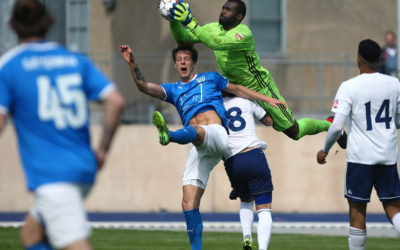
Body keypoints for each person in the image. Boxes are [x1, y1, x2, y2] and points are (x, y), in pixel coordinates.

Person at [119, 42, 285, 250]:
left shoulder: (210, 78)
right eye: (179, 59)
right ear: (175, 64)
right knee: (188, 203)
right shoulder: (173, 90)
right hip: (199, 146)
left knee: (197, 129)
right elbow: (144, 86)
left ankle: (168, 135)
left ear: (194, 63)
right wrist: (132, 63)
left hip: (216, 133)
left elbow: (238, 89)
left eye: (186, 58)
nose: (182, 62)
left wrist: (267, 99)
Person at [0, 0, 125, 249]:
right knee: (31, 233)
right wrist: (102, 150)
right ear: (49, 23)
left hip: (53, 176)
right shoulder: (74, 60)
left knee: (75, 245)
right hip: (84, 167)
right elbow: (116, 101)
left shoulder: (10, 66)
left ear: (12, 25)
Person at [166, 0, 346, 148]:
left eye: (228, 10)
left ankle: (329, 124)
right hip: (233, 86)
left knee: (294, 132)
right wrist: (174, 20)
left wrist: (190, 21)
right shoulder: (213, 28)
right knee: (212, 113)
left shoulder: (243, 34)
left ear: (239, 16)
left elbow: (216, 43)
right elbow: (184, 40)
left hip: (260, 86)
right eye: (223, 8)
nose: (223, 11)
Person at [316, 39, 400, 250]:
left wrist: (324, 150)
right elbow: (398, 120)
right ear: (380, 59)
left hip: (360, 159)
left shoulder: (349, 86)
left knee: (357, 211)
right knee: (393, 208)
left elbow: (335, 127)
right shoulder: (395, 84)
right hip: (387, 156)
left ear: (358, 59)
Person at [223, 94, 274, 250]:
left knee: (246, 200)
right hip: (253, 154)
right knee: (264, 208)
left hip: (232, 161)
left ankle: (247, 237)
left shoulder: (215, 105)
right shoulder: (247, 101)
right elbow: (269, 121)